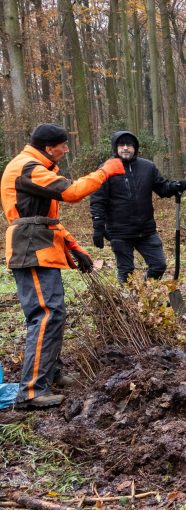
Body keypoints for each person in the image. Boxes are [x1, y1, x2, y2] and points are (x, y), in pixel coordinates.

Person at [1, 124, 126, 408]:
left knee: (53, 314)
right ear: (49, 148)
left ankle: (51, 374)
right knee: (46, 315)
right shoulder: (28, 167)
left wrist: (71, 244)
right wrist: (104, 171)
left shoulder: (35, 166)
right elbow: (71, 192)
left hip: (40, 246)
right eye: (63, 145)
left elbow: (43, 217)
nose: (66, 149)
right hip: (30, 249)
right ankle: (32, 391)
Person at [90, 131, 186, 283]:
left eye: (129, 145)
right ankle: (129, 304)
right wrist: (98, 226)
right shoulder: (106, 169)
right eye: (121, 145)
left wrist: (175, 186)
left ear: (135, 147)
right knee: (126, 271)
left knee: (158, 265)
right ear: (115, 148)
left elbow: (162, 187)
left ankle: (144, 294)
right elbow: (98, 199)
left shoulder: (147, 167)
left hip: (146, 230)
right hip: (119, 231)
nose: (125, 148)